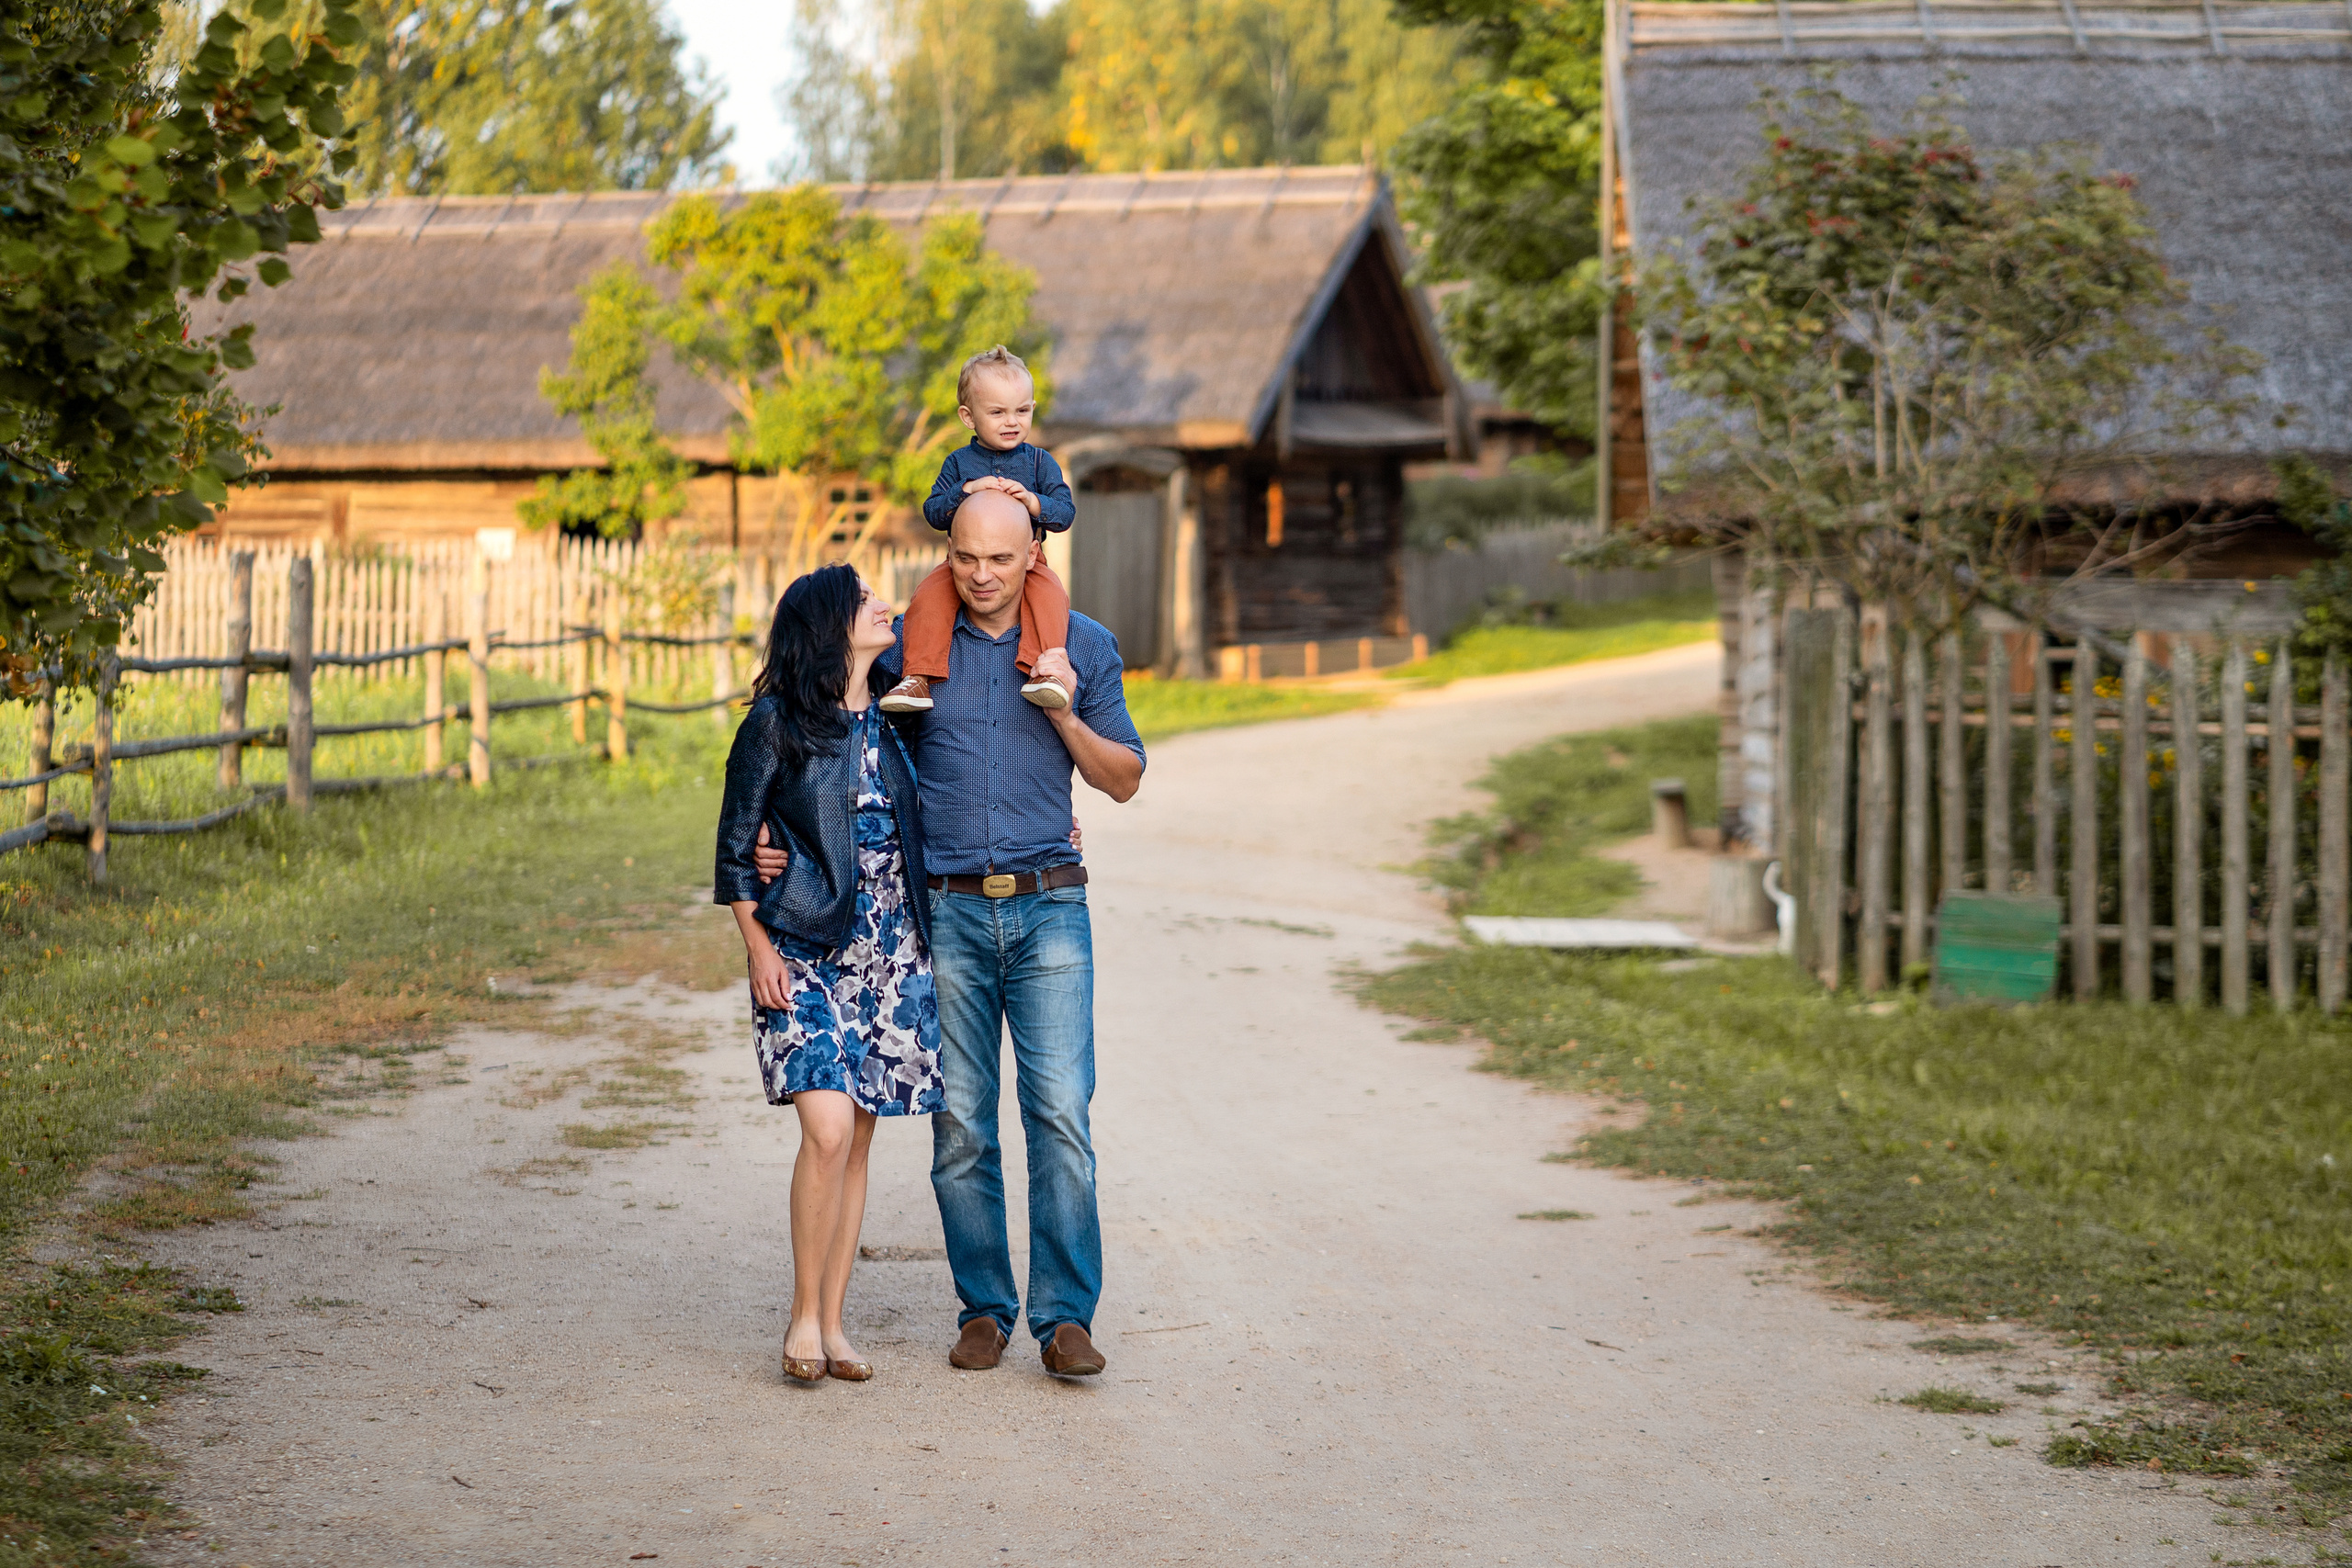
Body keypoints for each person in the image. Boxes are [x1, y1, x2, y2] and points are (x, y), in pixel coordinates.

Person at [759, 490, 1143, 1378]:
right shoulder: (908, 651)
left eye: (1001, 560)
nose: (980, 575)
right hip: (948, 913)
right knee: (961, 1122)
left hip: (1051, 904)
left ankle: (1064, 1318)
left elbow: (1123, 778)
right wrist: (776, 837)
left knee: (1059, 1114)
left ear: (1035, 554)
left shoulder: (1079, 647)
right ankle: (985, 1309)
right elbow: (818, 721)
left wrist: (1063, 714)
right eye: (964, 556)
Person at [714, 565, 941, 1386]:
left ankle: (836, 1323)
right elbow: (736, 850)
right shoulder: (775, 723)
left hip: (892, 954)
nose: (885, 606)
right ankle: (801, 1315)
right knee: (830, 1130)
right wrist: (758, 947)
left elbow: (951, 595)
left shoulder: (898, 712)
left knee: (861, 1138)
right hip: (802, 952)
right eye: (866, 599)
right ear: (829, 625)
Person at [880, 344, 1076, 716]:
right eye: (998, 412)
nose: (1011, 421)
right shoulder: (958, 463)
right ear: (968, 416)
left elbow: (1065, 512)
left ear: (1032, 409)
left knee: (1051, 597)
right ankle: (919, 677)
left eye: (1021, 411)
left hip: (1026, 563)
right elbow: (934, 512)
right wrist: (964, 490)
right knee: (928, 597)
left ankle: (1046, 672)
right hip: (964, 560)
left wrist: (1035, 502)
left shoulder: (1039, 463)